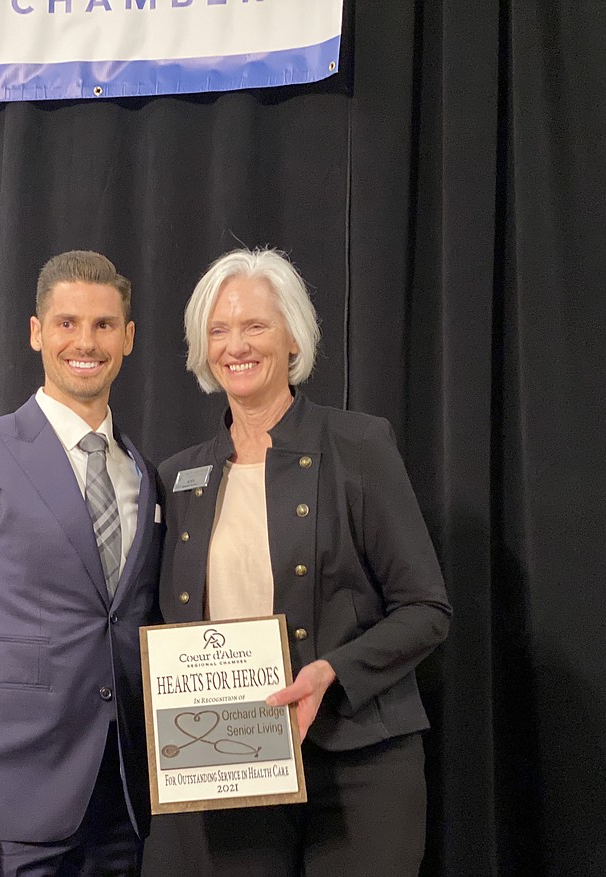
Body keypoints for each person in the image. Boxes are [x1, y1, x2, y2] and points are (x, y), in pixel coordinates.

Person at [142, 248, 452, 877]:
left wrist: (330, 673)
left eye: (255, 325)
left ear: (292, 337)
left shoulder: (359, 445)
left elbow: (426, 609)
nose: (236, 345)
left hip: (361, 760)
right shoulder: (178, 478)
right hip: (231, 763)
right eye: (219, 330)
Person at [0, 251, 163, 876]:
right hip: (7, 800)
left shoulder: (143, 474)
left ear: (127, 338)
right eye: (67, 323)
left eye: (103, 325)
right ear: (36, 332)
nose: (85, 342)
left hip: (122, 799)